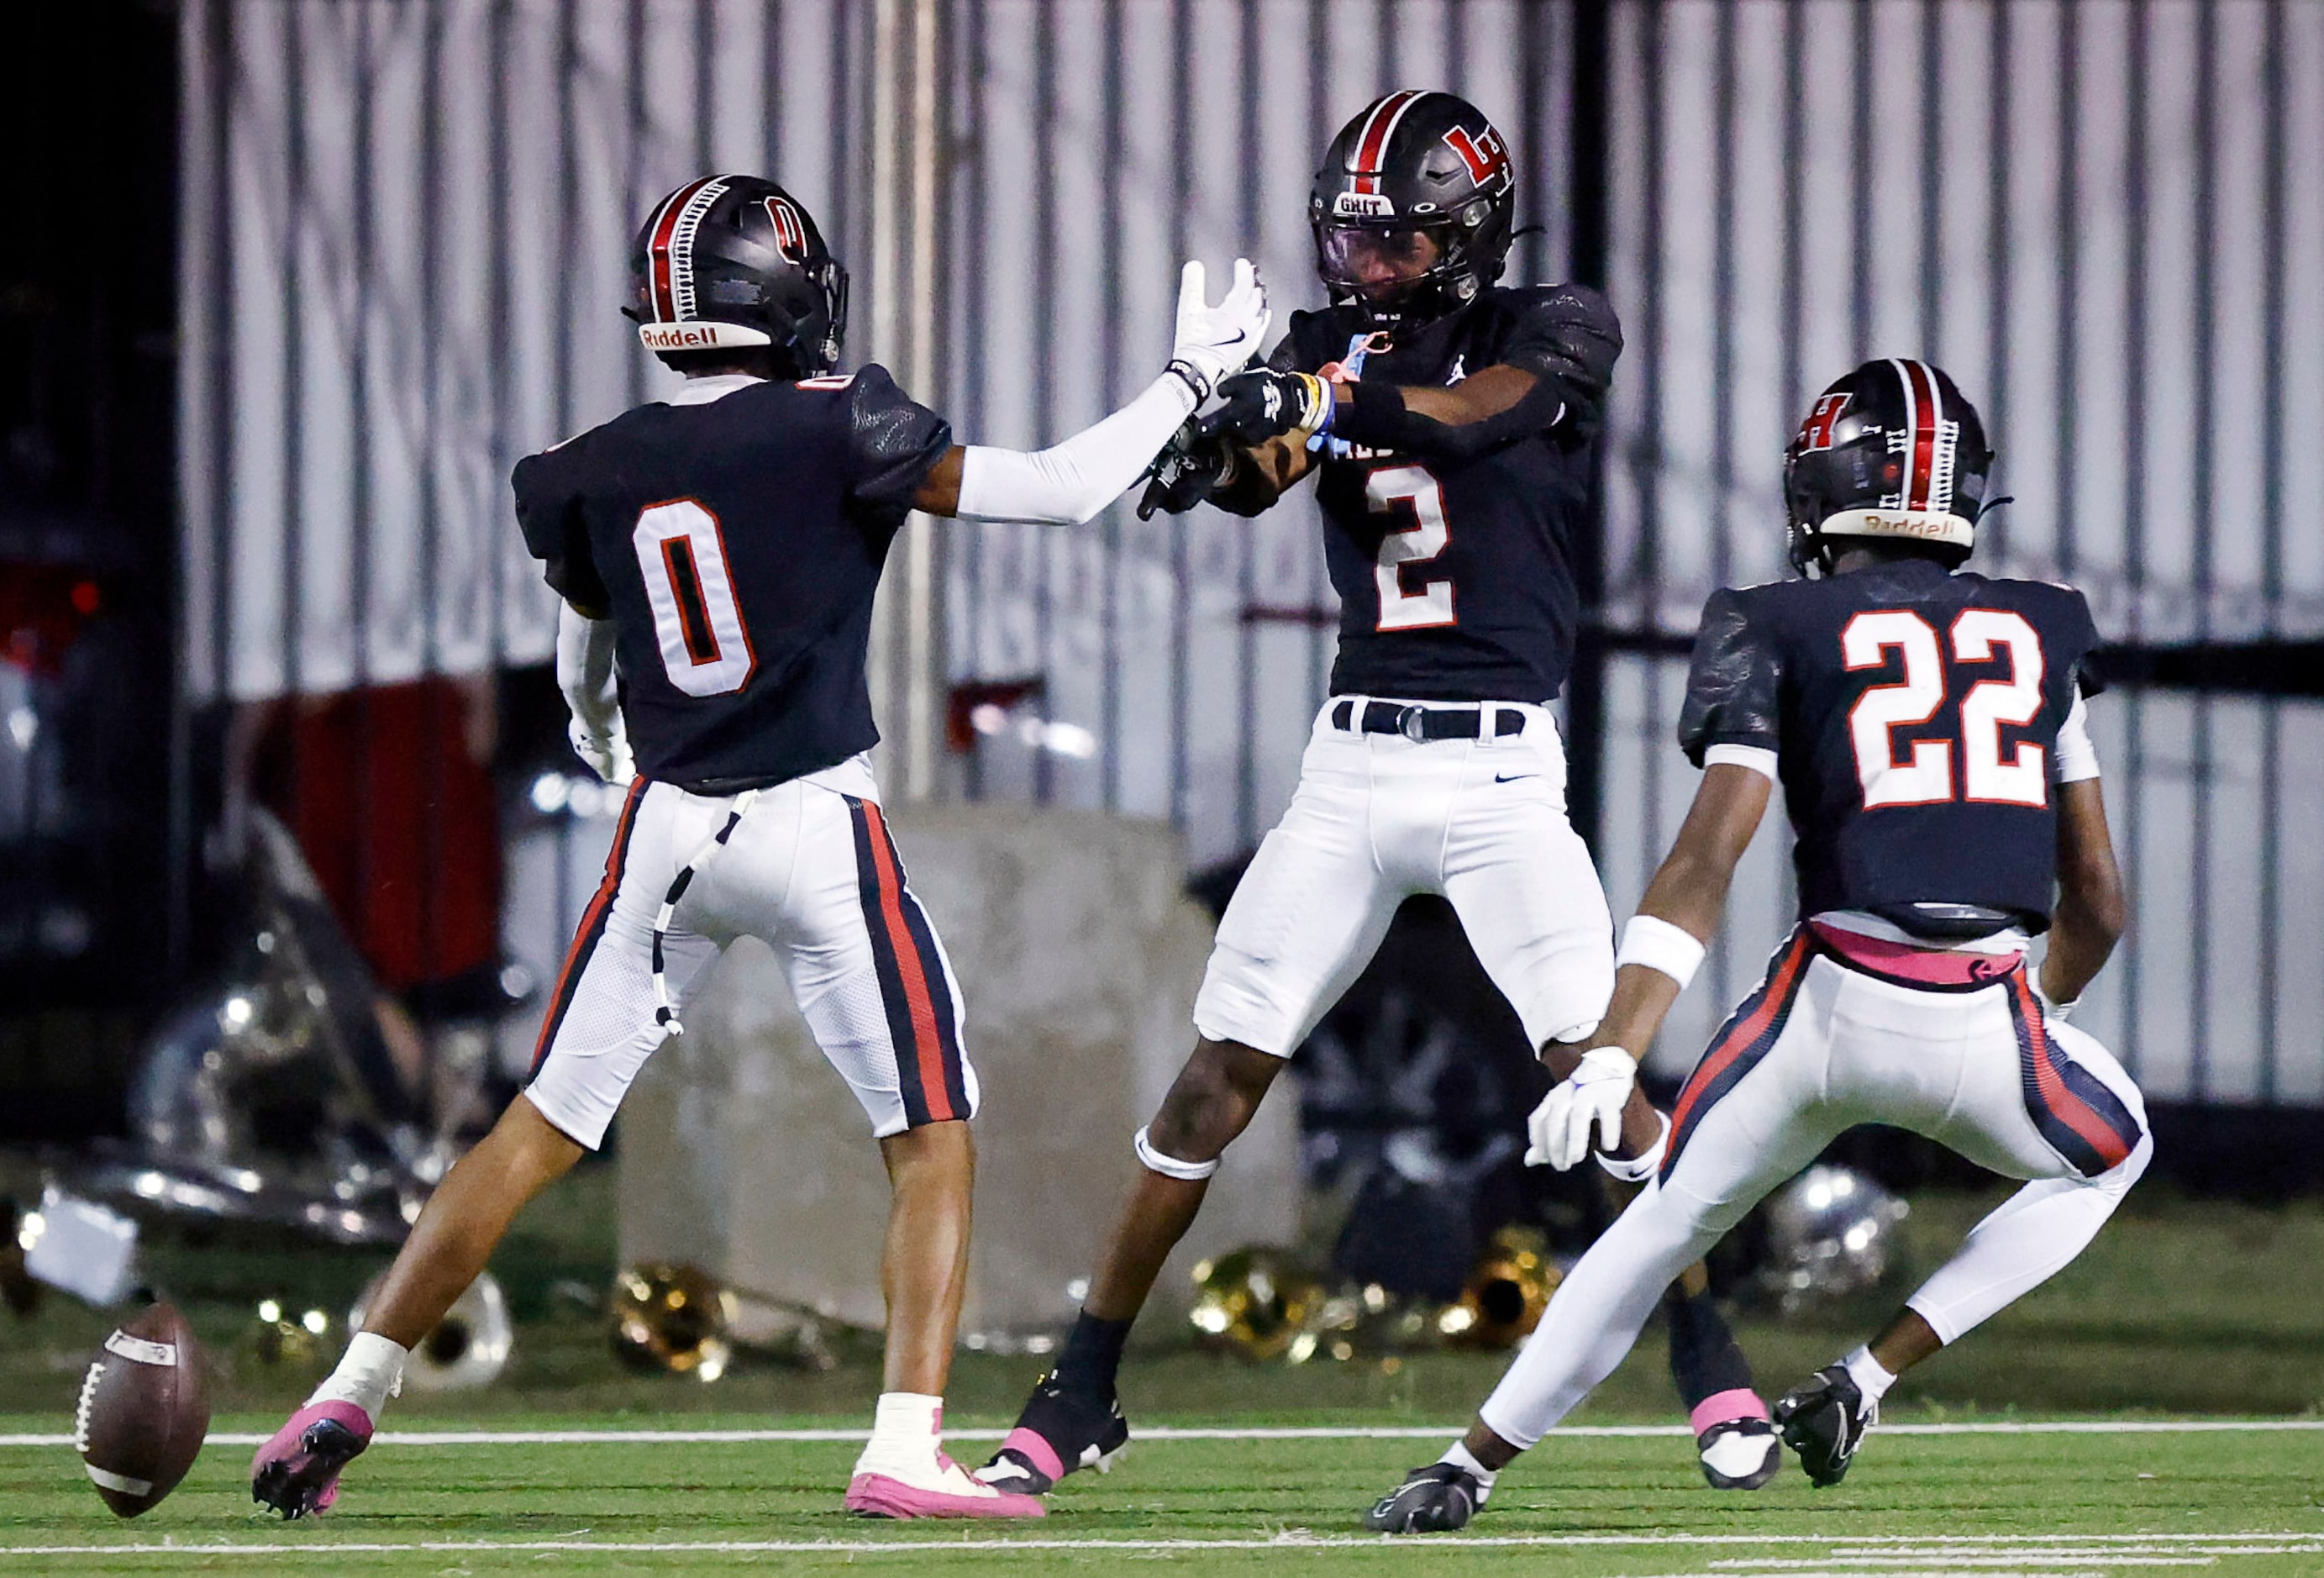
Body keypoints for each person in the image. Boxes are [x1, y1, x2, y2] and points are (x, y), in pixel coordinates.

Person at [250, 173, 1271, 1522]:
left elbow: (587, 636)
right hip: (812, 823)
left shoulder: (591, 463)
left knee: (533, 1128)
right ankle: (904, 1443)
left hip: (664, 829)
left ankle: (351, 1386)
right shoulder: (836, 421)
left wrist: (599, 724)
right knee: (930, 1132)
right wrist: (1189, 378)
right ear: (784, 298)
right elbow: (1065, 491)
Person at [977, 90, 1779, 1502]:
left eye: (1398, 244)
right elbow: (1255, 471)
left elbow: (1475, 422)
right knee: (1214, 1077)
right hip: (1347, 767)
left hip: (1498, 775)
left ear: (1466, 237)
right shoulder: (1323, 346)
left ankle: (1707, 1354)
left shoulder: (1554, 326)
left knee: (1596, 1077)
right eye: (1353, 242)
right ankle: (1081, 1381)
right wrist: (1209, 422)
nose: (1367, 270)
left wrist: (1322, 395)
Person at [1361, 357, 2149, 1533]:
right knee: (2112, 1151)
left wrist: (1616, 1052)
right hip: (1985, 1014)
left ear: (1824, 487)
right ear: (1960, 494)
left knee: (1660, 1228)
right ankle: (1864, 1377)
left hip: (1826, 1010)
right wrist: (2034, 1012)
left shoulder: (1771, 621)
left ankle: (1463, 1466)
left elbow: (1702, 861)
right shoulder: (2042, 626)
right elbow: (2093, 897)